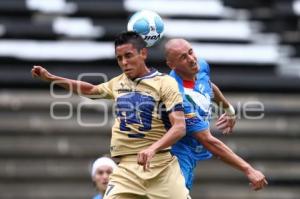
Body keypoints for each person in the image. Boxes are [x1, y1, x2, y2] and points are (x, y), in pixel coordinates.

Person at [31, 31, 189, 199]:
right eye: (119, 58)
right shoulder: (118, 82)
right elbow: (91, 90)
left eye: (128, 56)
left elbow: (179, 127)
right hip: (127, 170)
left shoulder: (165, 83)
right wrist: (52, 78)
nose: (124, 63)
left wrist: (152, 148)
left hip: (161, 166)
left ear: (143, 53)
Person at [164, 38, 268, 191]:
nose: (192, 59)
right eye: (183, 57)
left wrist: (228, 110)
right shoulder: (176, 94)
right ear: (172, 65)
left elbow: (208, 86)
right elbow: (208, 141)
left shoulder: (201, 67)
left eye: (191, 52)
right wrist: (249, 170)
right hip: (177, 154)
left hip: (191, 152)